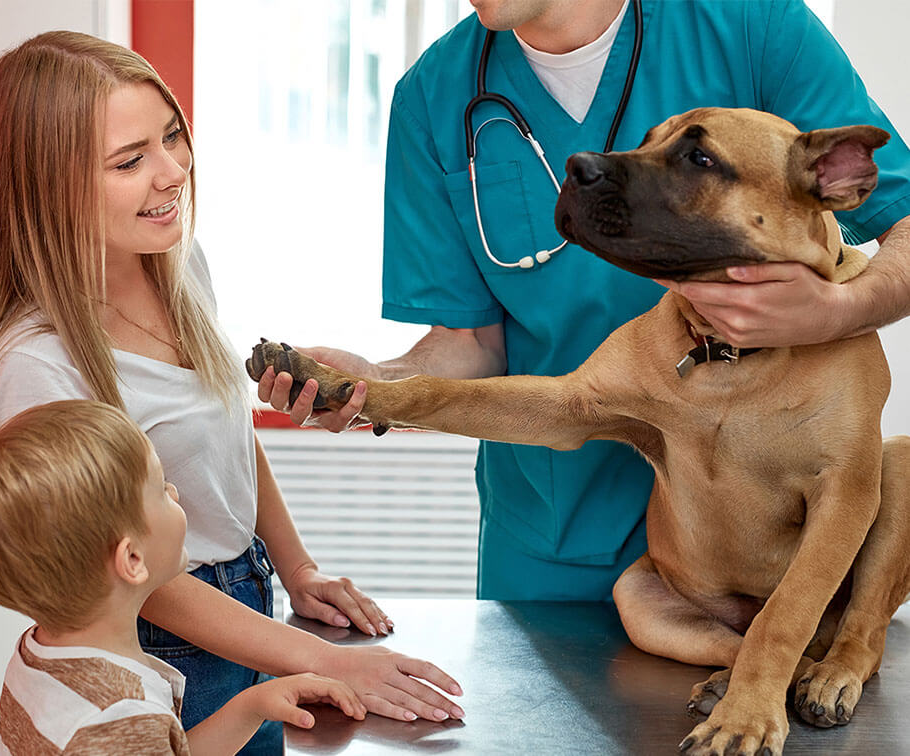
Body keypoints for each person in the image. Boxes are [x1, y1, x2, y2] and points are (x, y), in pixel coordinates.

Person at [259, 0, 910, 601]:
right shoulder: (435, 92)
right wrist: (377, 384)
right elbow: (469, 342)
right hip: (554, 541)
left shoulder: (751, 25)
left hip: (763, 544)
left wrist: (838, 312)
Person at [0, 31, 464, 753]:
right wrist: (327, 661)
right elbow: (133, 575)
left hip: (246, 601)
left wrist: (296, 569)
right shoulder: (36, 367)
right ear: (49, 184)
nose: (173, 171)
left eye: (171, 137)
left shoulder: (177, 263)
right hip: (167, 643)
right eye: (130, 161)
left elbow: (227, 431)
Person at [0, 400, 367, 755]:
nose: (175, 493)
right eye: (161, 488)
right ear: (133, 558)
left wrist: (252, 706)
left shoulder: (40, 656)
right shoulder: (117, 716)